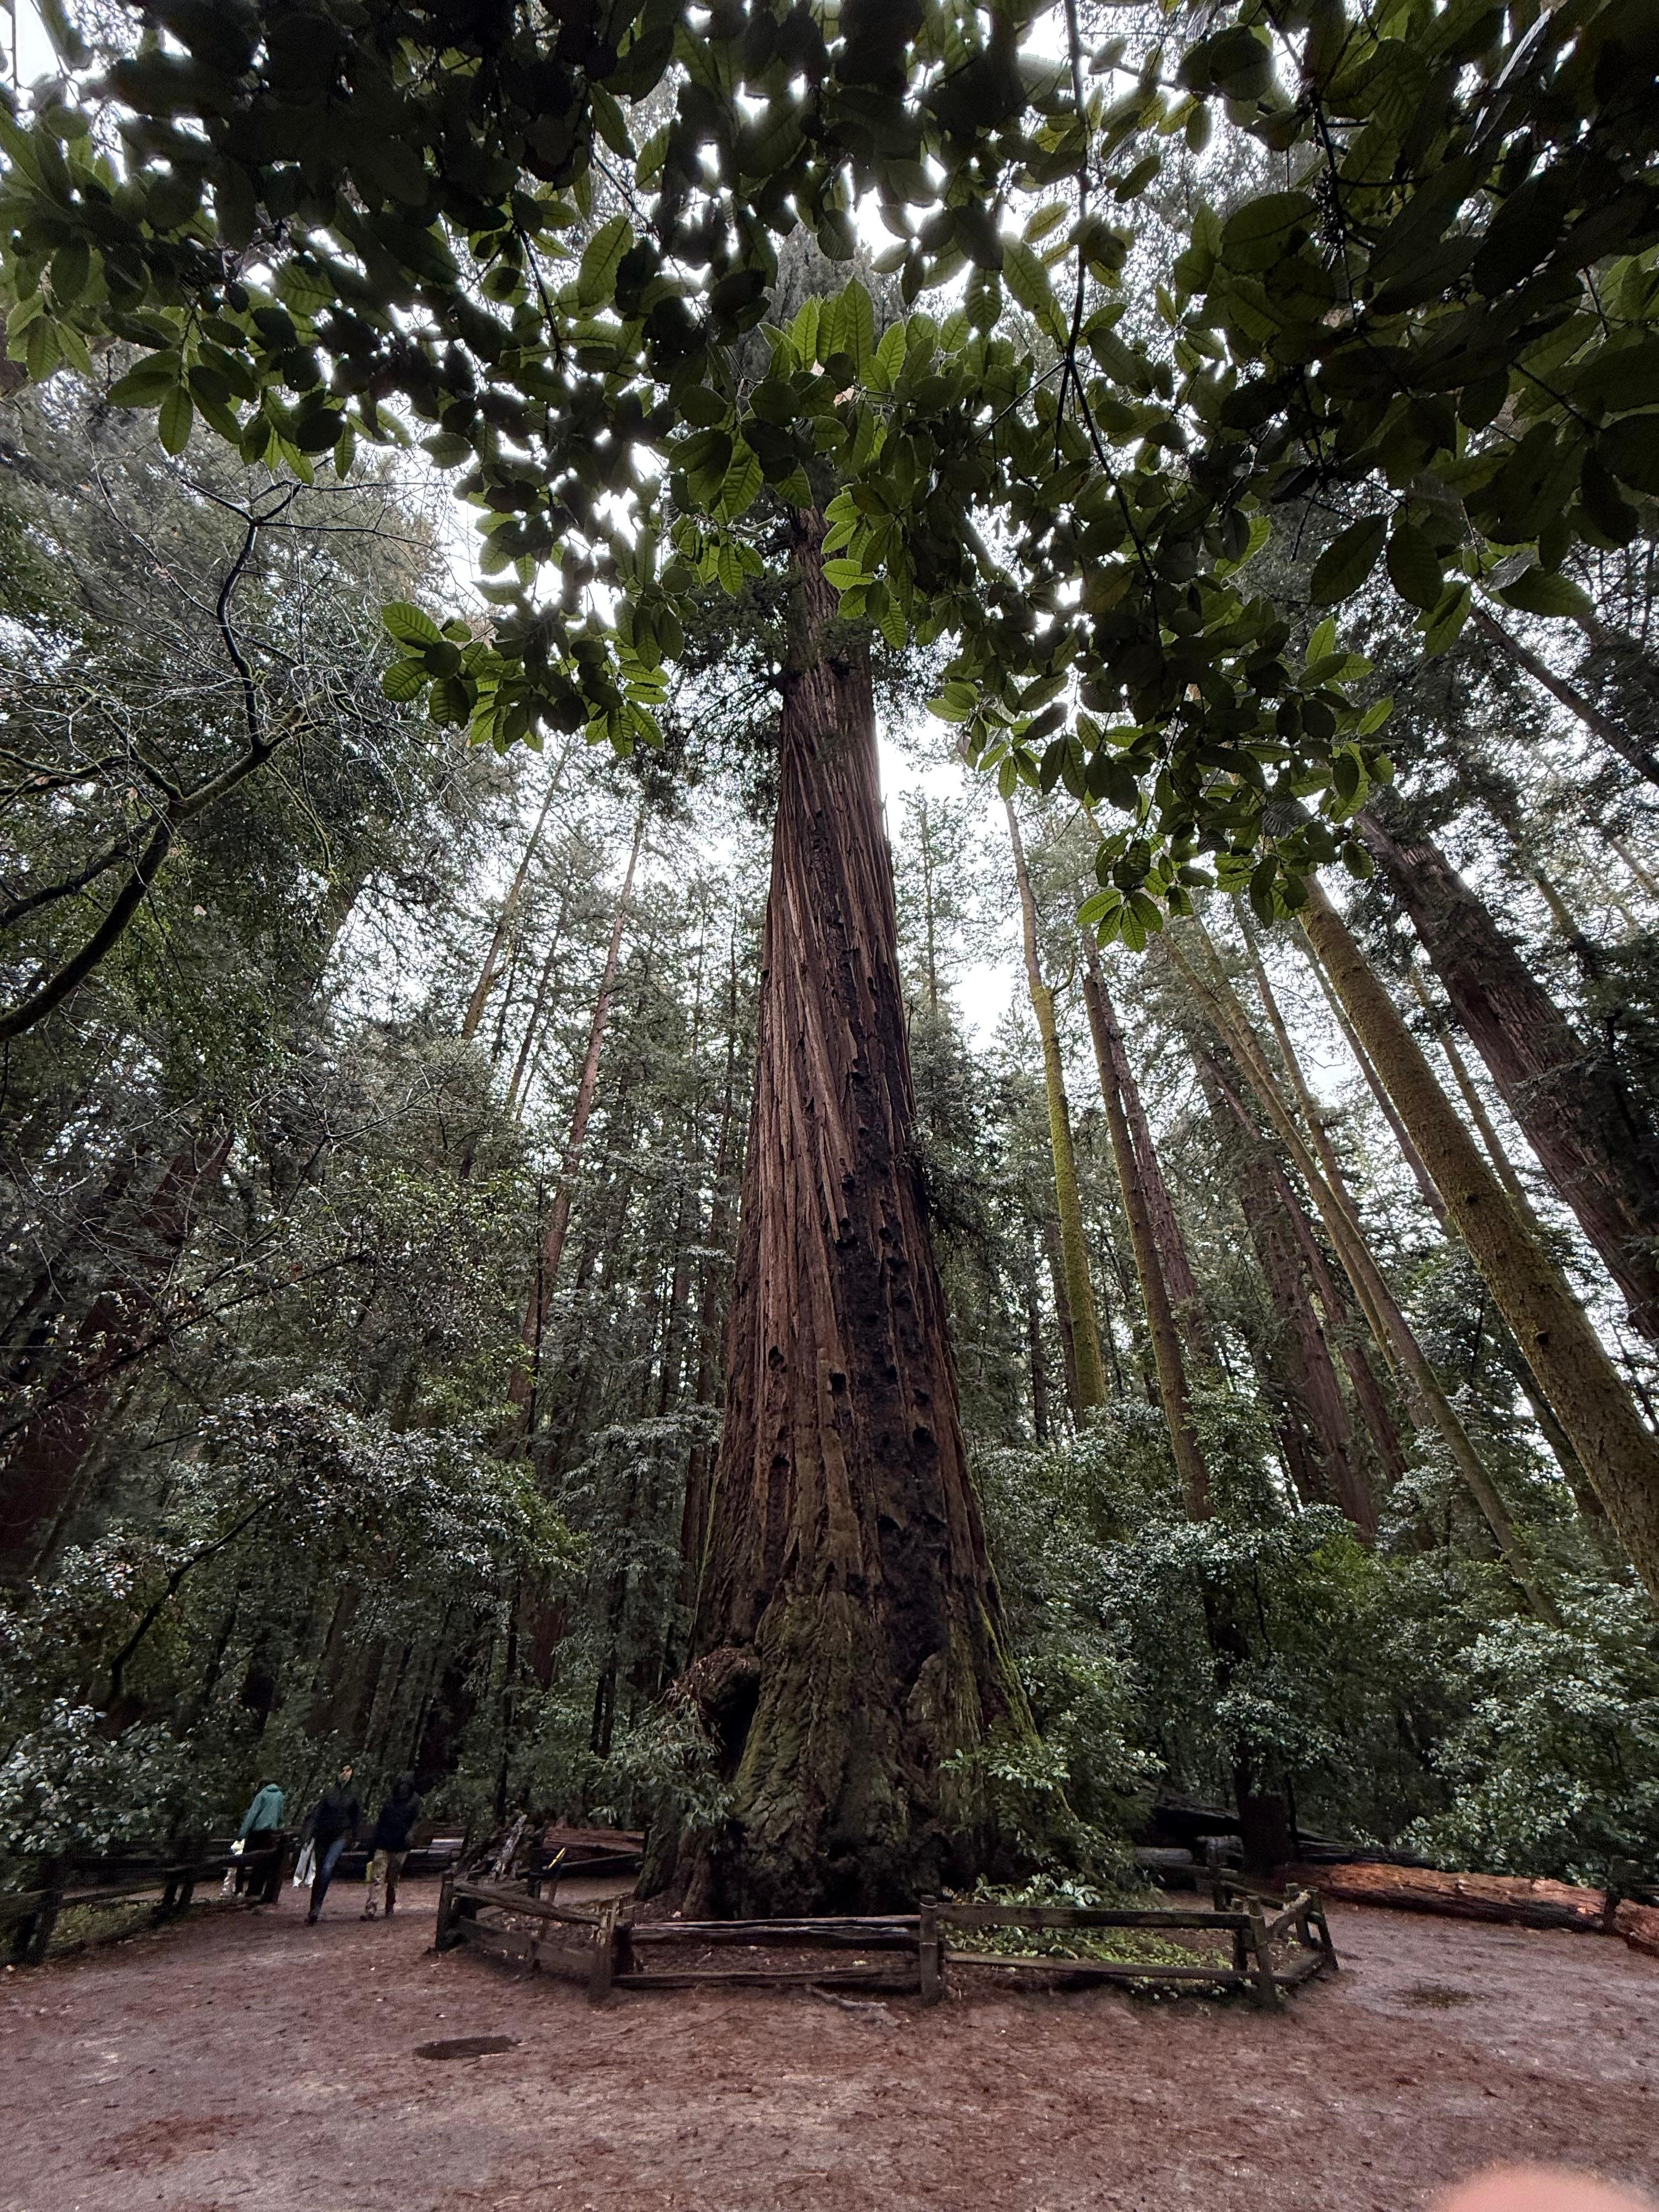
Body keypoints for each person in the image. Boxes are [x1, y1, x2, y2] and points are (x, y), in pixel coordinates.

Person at [301, 1761, 361, 1925]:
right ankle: (314, 1908)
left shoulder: (354, 1793)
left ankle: (317, 1908)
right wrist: (307, 1837)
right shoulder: (329, 1792)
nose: (345, 1773)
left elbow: (357, 1816)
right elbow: (315, 1815)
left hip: (340, 1836)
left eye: (349, 1770)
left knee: (328, 1867)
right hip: (322, 1836)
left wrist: (355, 1837)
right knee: (320, 1872)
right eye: (343, 1770)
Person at [362, 1773, 422, 1919]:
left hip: (401, 1846)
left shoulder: (415, 1801)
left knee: (393, 1879)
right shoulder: (390, 1801)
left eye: (406, 1786)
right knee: (378, 1877)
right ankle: (371, 1908)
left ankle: (390, 1905)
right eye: (401, 1785)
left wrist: (410, 1834)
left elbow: (417, 1820)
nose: (403, 1788)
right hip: (384, 1843)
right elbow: (381, 1822)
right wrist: (374, 1841)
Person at [232, 1778, 285, 1898]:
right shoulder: (280, 1796)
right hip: (270, 1833)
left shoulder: (262, 1795)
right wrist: (278, 1827)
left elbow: (252, 1815)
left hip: (257, 1833)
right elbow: (281, 1815)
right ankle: (254, 1890)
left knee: (243, 1860)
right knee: (262, 1863)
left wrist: (241, 1834)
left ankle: (239, 1889)